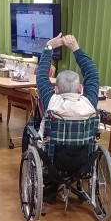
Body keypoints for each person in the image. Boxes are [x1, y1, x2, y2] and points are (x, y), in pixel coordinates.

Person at [36, 33, 100, 203]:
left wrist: (49, 47)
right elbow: (93, 75)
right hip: (83, 161)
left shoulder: (51, 101)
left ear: (56, 89)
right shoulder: (90, 103)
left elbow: (41, 76)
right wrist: (76, 49)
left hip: (53, 162)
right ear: (80, 89)